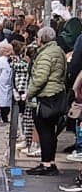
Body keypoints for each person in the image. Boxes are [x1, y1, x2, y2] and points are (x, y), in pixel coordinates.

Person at [27, 25, 67, 175]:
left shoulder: (45, 55)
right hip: (57, 94)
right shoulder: (59, 51)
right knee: (51, 132)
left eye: (38, 37)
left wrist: (29, 94)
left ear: (42, 39)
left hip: (46, 97)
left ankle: (46, 164)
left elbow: (40, 78)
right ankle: (50, 162)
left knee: (44, 131)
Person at [0, 40, 14, 125]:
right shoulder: (11, 60)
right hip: (8, 81)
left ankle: (2, 115)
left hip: (1, 82)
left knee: (0, 97)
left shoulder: (0, 61)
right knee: (7, 97)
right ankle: (5, 115)